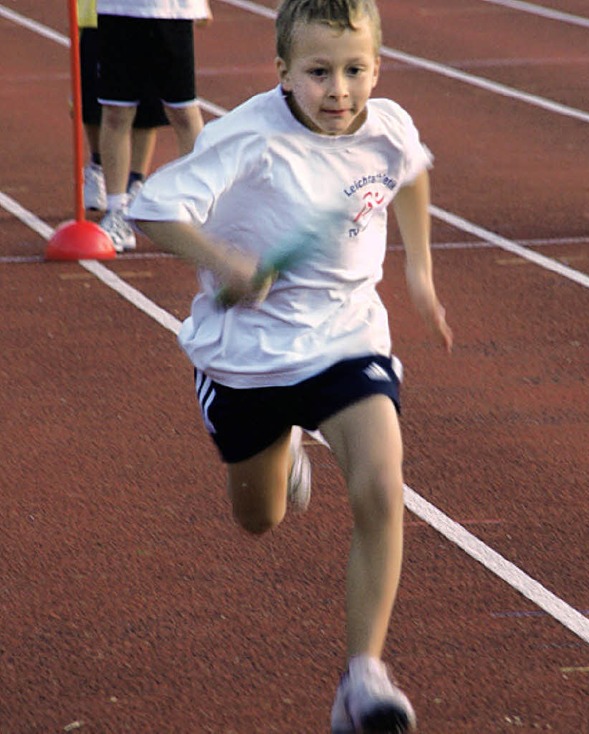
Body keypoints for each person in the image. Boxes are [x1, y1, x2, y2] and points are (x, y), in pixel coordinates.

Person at [131, 0, 453, 731]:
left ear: (377, 66)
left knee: (380, 483)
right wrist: (225, 261)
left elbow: (412, 175)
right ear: (282, 72)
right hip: (249, 354)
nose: (339, 90)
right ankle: (284, 451)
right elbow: (151, 207)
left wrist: (420, 276)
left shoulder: (388, 126)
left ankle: (363, 677)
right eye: (318, 73)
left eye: (354, 70)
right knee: (259, 517)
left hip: (346, 338)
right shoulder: (248, 138)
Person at [96, 0, 212, 252]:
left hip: (172, 10)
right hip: (118, 10)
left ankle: (195, 207)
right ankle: (116, 210)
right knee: (116, 111)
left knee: (183, 112)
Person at [77, 0, 170, 212]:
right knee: (94, 101)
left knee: (148, 104)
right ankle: (98, 165)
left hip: (152, 13)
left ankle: (136, 181)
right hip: (99, 15)